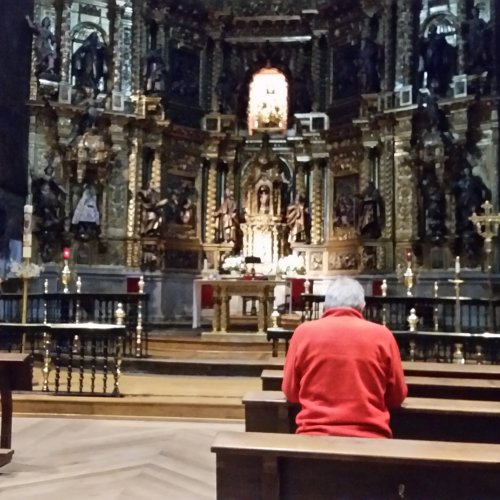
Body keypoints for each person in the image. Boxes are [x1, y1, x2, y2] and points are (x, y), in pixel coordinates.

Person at [282, 277, 407, 438]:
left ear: (326, 306)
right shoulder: (382, 335)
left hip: (313, 438)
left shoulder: (303, 333)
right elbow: (397, 396)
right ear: (362, 306)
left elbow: (291, 392)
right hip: (371, 439)